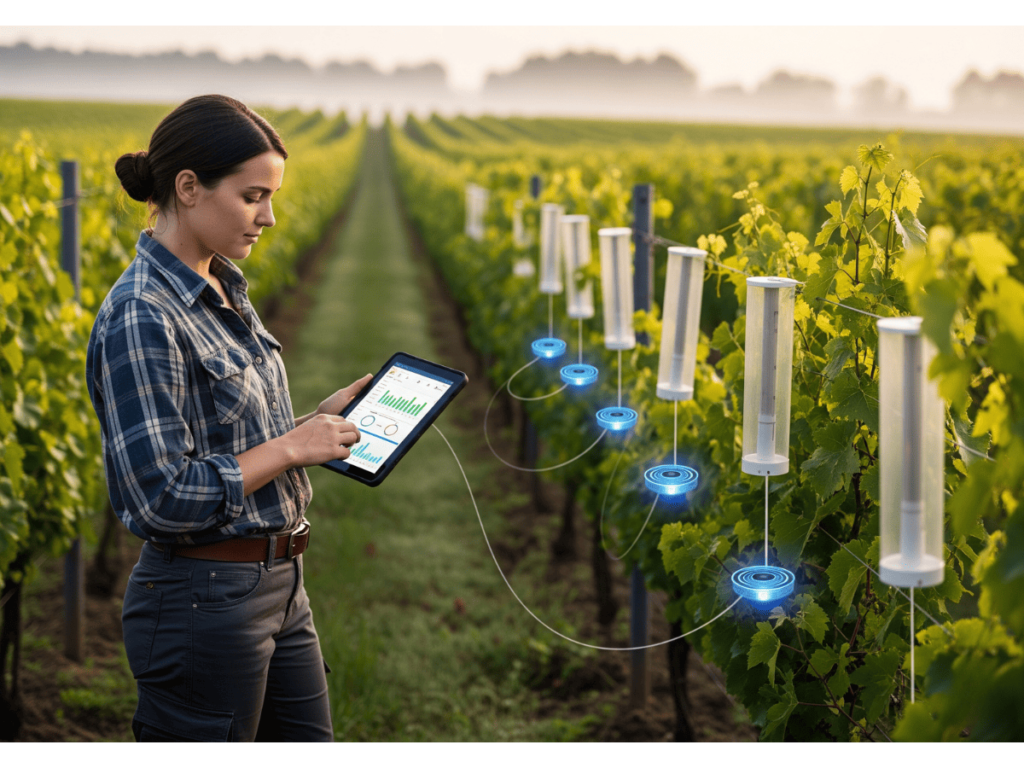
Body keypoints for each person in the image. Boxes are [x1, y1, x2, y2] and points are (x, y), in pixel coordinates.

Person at [86, 94, 370, 742]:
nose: (270, 217)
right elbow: (160, 496)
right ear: (188, 188)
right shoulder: (143, 313)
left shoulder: (222, 285)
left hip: (280, 584)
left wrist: (312, 425)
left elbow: (226, 440)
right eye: (253, 196)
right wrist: (293, 448)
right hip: (201, 599)